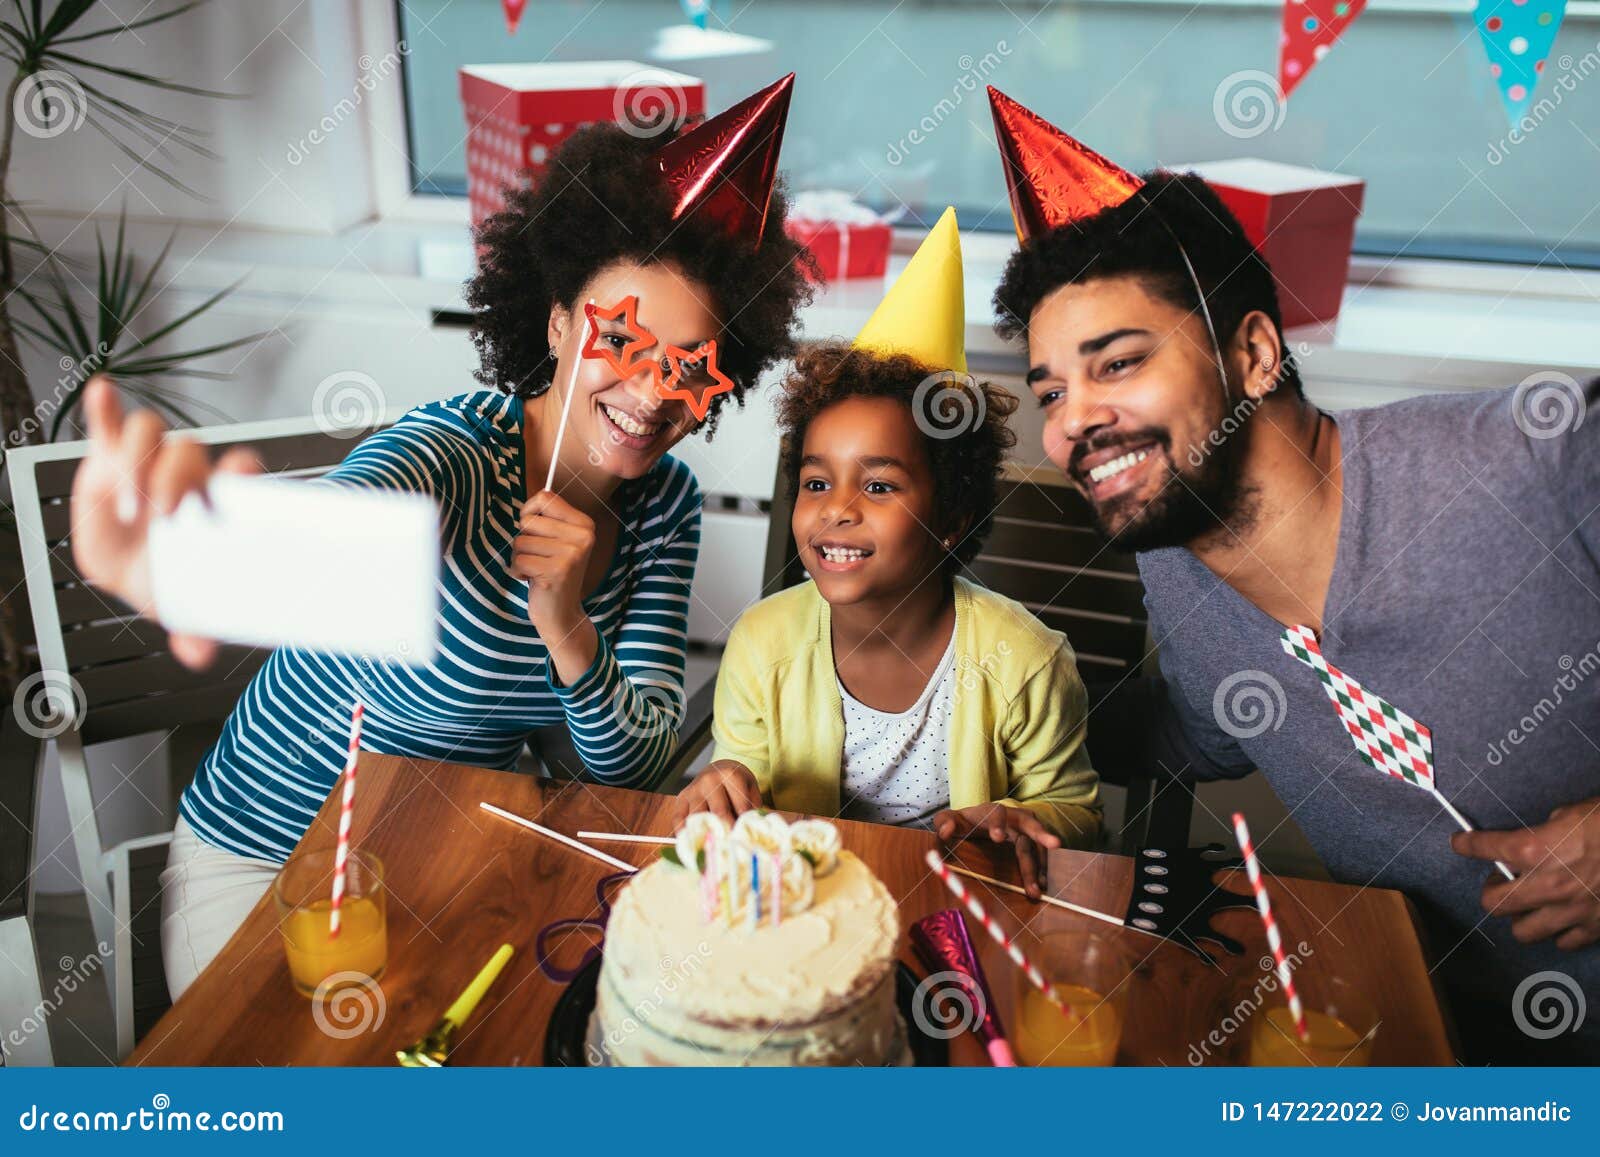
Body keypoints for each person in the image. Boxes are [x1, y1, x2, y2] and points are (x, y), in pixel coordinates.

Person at [70, 77, 816, 997]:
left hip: (453, 855)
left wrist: (568, 625)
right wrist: (194, 554)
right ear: (556, 323)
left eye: (689, 367)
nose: (653, 393)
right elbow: (352, 529)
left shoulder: (665, 504)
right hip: (275, 860)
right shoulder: (458, 455)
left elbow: (639, 763)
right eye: (624, 342)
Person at [987, 86, 1600, 1061]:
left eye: (1116, 363)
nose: (1068, 422)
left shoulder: (1537, 462)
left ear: (1256, 351)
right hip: (1432, 1040)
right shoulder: (1178, 573)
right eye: (1051, 389)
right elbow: (1192, 722)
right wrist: (975, 712)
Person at [678, 209, 1102, 896]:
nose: (837, 508)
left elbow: (1081, 814)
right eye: (816, 482)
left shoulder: (1026, 661)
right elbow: (741, 782)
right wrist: (726, 786)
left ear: (952, 516)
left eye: (878, 484)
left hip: (966, 911)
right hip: (813, 910)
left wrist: (1022, 819)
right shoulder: (761, 643)